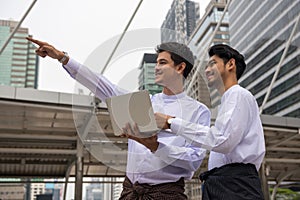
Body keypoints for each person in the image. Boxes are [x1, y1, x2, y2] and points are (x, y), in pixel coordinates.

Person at [27, 37, 211, 199]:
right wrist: (63, 58)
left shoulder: (198, 111)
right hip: (130, 192)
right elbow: (101, 84)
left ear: (180, 67)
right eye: (156, 62)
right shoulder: (143, 101)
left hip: (167, 194)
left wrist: (155, 146)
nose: (156, 67)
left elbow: (193, 160)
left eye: (162, 62)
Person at [151, 44, 266, 199]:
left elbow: (222, 140)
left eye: (212, 64)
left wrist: (171, 122)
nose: (206, 70)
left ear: (230, 64)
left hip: (235, 184)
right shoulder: (228, 100)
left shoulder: (238, 95)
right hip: (224, 183)